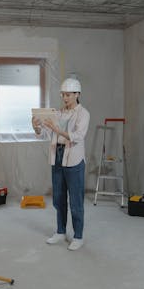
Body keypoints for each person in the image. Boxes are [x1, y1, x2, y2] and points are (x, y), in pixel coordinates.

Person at [32, 78, 90, 250]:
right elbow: (44, 133)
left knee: (76, 201)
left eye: (69, 95)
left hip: (74, 161)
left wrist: (57, 129)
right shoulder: (57, 113)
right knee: (58, 198)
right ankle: (60, 231)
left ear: (77, 94)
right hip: (57, 158)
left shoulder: (83, 114)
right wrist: (36, 126)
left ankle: (78, 236)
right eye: (63, 94)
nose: (65, 98)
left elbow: (78, 136)